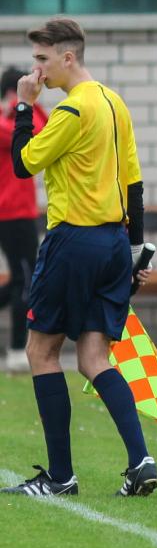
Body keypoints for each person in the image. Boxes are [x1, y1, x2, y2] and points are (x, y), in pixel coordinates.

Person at [0, 18, 157, 497]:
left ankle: (61, 476)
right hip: (113, 243)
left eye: (43, 60)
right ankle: (141, 462)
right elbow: (134, 182)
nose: (37, 69)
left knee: (41, 351)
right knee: (94, 356)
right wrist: (137, 250)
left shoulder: (72, 110)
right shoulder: (114, 102)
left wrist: (25, 104)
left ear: (68, 58)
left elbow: (23, 162)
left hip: (73, 242)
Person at [0, 66, 48, 373]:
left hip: (19, 213)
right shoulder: (6, 125)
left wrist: (26, 105)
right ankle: (18, 348)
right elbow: (39, 134)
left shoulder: (13, 120)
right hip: (12, 214)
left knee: (21, 279)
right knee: (26, 281)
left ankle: (18, 347)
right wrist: (25, 104)